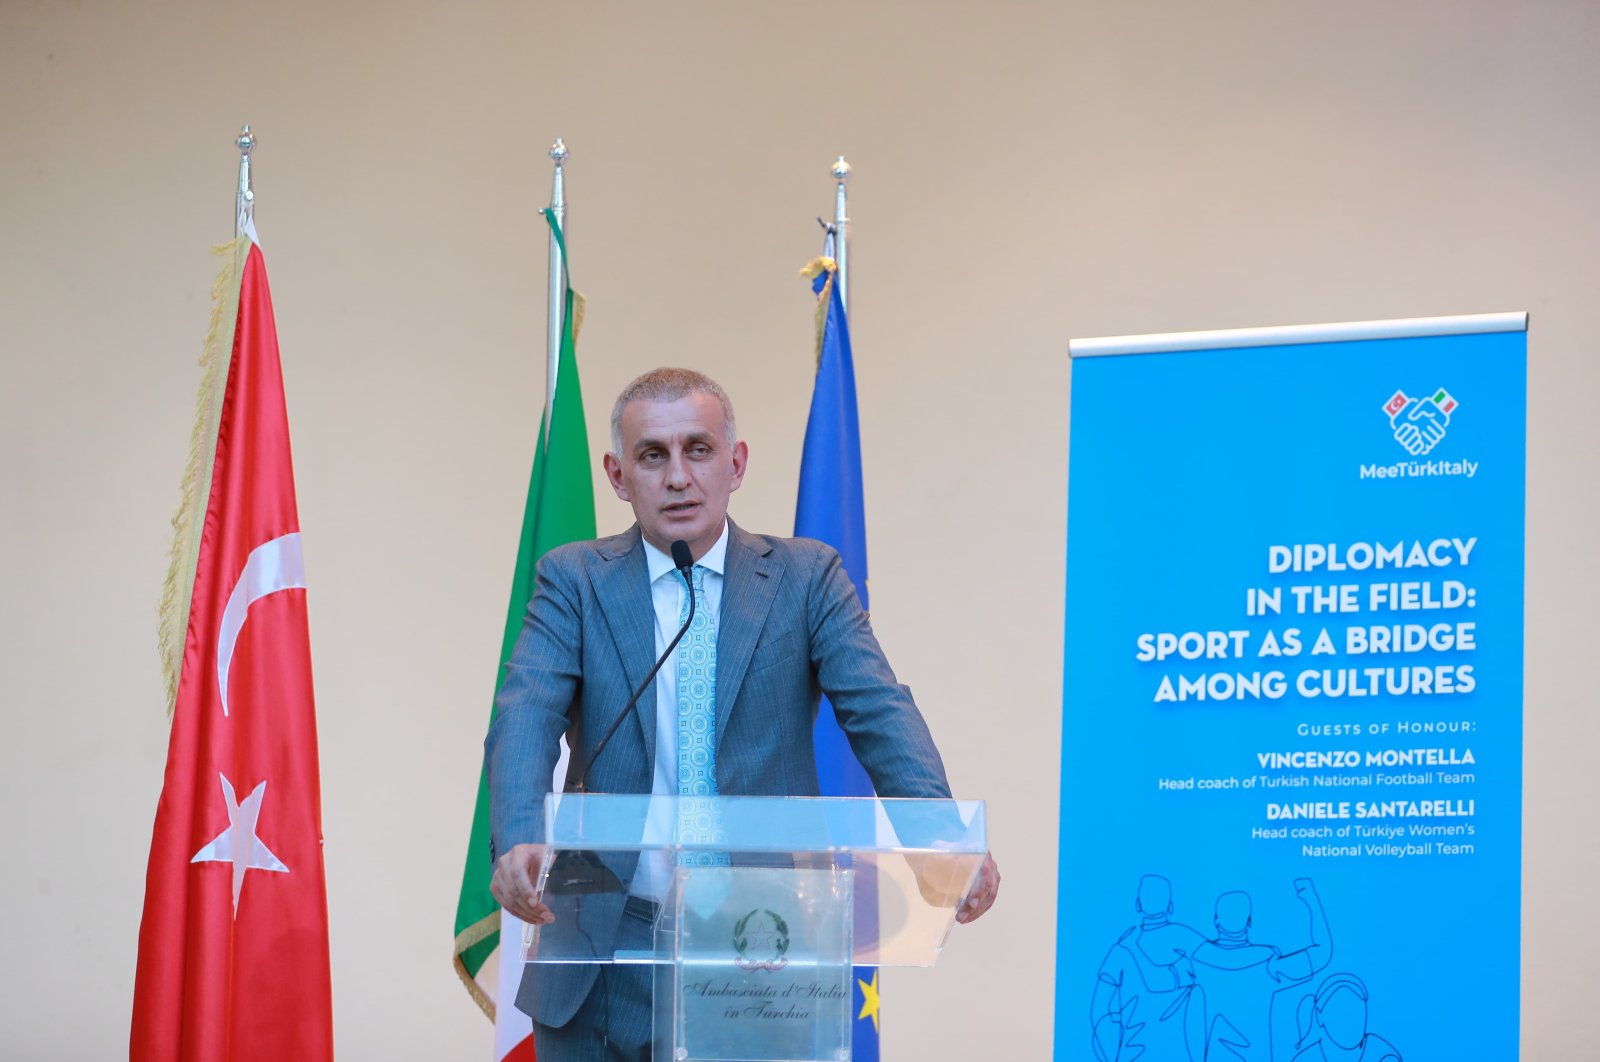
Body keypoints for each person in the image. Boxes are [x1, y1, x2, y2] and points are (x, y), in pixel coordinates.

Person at [485, 367, 1000, 1060]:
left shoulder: (805, 577)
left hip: (760, 939)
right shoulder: (573, 580)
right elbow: (525, 711)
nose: (677, 477)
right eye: (652, 455)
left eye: (698, 450)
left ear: (736, 463)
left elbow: (879, 710)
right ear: (616, 473)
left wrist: (941, 835)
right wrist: (520, 832)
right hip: (607, 944)